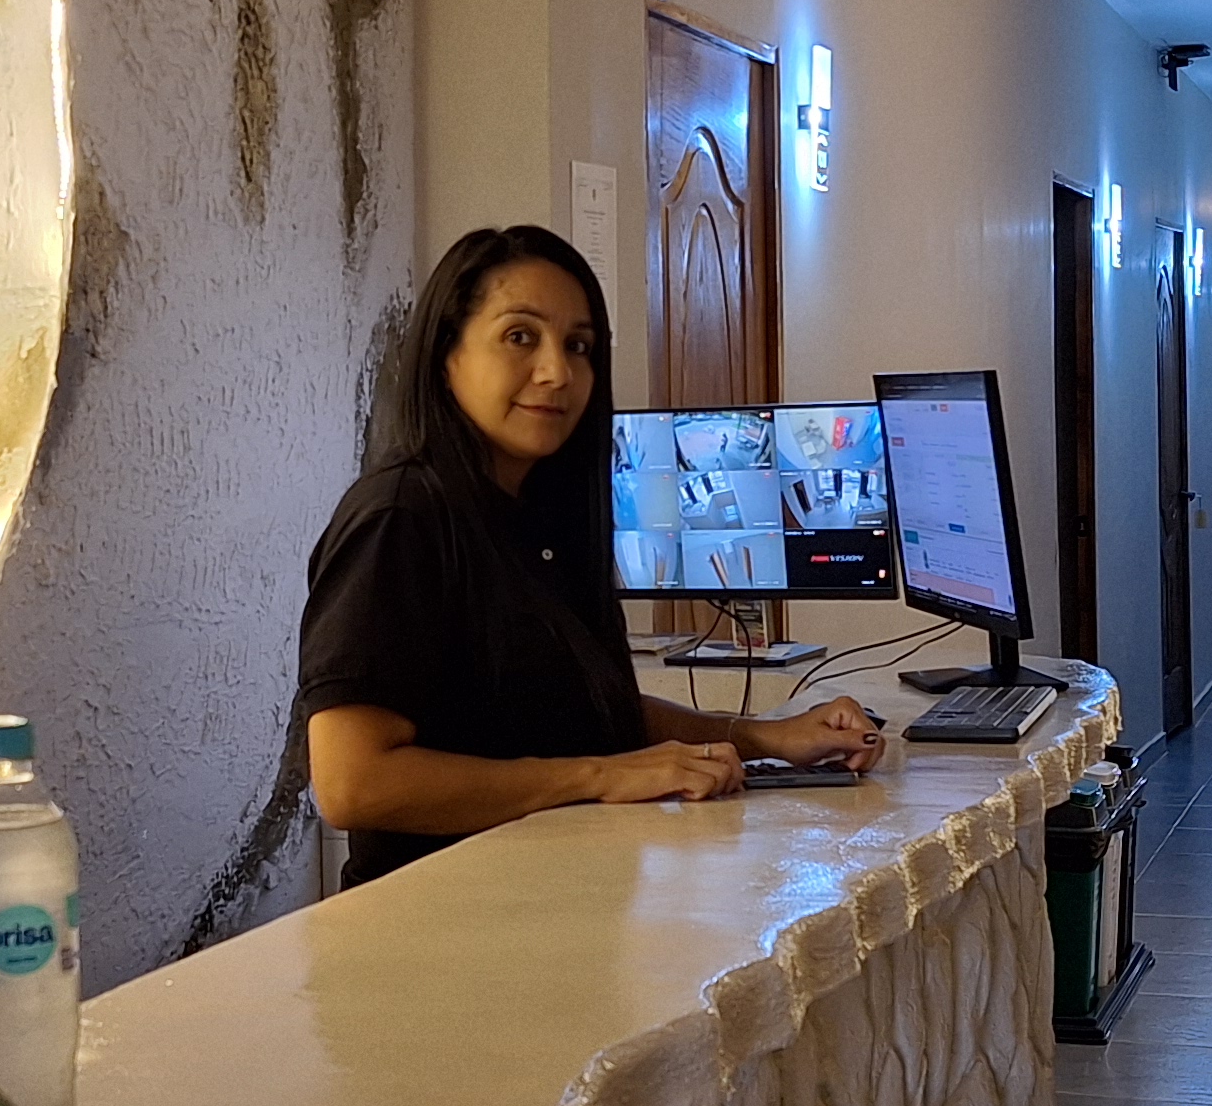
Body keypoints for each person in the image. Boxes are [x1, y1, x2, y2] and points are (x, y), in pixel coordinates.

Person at [301, 224, 884, 887]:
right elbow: (354, 784)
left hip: (564, 903)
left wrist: (762, 737)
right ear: (446, 355)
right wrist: (600, 776)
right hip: (439, 923)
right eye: (520, 337)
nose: (557, 372)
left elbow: (583, 709)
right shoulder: (401, 518)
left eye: (578, 346)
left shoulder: (540, 510)